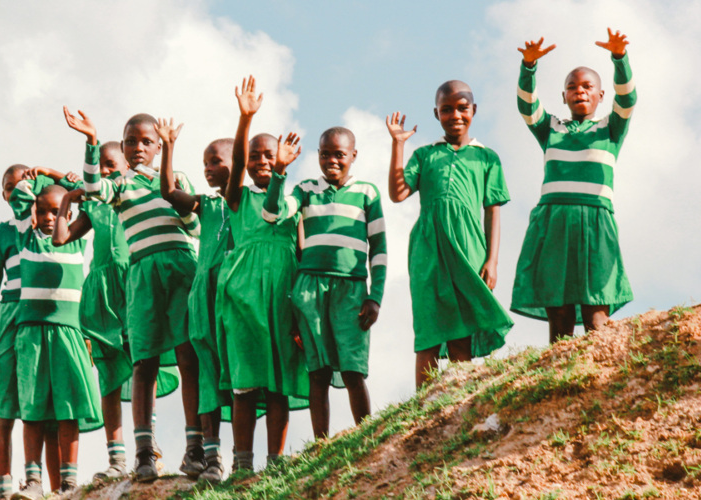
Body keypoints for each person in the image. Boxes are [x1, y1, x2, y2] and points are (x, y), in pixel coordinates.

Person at [65, 107, 204, 482]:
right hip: (142, 275)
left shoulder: (178, 179)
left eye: (146, 142)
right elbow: (93, 189)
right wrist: (92, 142)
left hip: (180, 270)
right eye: (131, 142)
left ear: (158, 147)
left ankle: (195, 448)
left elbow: (192, 225)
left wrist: (171, 169)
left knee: (188, 356)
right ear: (123, 148)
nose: (138, 147)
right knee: (144, 362)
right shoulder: (121, 186)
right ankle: (144, 452)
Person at [51, 142, 180, 482]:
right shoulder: (94, 206)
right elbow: (60, 239)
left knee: (142, 362)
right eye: (103, 167)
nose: (106, 172)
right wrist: (67, 199)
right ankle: (116, 457)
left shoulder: (130, 196)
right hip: (101, 291)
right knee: (108, 374)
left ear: (125, 165)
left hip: (133, 282)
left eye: (111, 165)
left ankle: (147, 449)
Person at [386, 80, 514, 389]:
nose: (455, 115)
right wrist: (398, 145)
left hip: (469, 248)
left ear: (474, 110)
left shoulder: (487, 158)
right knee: (428, 326)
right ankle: (423, 405)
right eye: (446, 110)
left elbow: (493, 210)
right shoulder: (426, 155)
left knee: (461, 328)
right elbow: (397, 193)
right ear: (436, 113)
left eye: (462, 108)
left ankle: (458, 400)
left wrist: (492, 260)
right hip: (428, 249)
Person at [510, 28, 636, 342]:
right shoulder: (550, 128)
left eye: (587, 86)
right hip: (554, 222)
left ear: (600, 95)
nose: (579, 91)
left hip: (596, 220)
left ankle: (600, 374)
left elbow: (628, 98)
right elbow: (526, 106)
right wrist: (528, 67)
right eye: (571, 87)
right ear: (563, 96)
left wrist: (619, 58)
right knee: (560, 310)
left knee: (596, 310)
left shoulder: (610, 128)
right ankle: (559, 374)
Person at [262, 126, 386, 439]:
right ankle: (321, 442)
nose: (332, 160)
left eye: (339, 154)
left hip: (351, 288)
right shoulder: (305, 190)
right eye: (325, 154)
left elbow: (379, 248)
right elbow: (272, 213)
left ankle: (366, 435)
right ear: (317, 156)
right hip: (309, 288)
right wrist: (279, 170)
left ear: (353, 156)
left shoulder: (367, 193)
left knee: (352, 368)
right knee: (317, 371)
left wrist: (376, 296)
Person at [214, 76, 309, 473]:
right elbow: (235, 163)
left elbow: (302, 252)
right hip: (243, 299)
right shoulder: (237, 196)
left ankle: (275, 462)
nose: (263, 162)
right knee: (246, 382)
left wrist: (303, 309)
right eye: (256, 157)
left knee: (278, 383)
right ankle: (241, 464)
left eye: (270, 155)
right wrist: (245, 120)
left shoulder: (292, 199)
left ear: (284, 158)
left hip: (282, 297)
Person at [0, 165, 77, 498]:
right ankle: (5, 490)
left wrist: (52, 176)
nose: (16, 191)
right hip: (10, 320)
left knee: (47, 410)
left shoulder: (56, 227)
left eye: (23, 185)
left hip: (49, 318)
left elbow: (74, 192)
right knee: (5, 409)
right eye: (8, 188)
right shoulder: (2, 234)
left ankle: (57, 490)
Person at [7, 178, 102, 500]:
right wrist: (43, 173)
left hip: (68, 334)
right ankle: (33, 482)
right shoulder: (26, 239)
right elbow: (19, 194)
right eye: (43, 211)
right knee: (32, 410)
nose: (50, 218)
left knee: (68, 409)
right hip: (32, 334)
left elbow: (93, 197)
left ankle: (69, 483)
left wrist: (69, 188)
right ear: (33, 213)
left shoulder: (75, 240)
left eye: (57, 211)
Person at [156, 121, 234, 483]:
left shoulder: (250, 203)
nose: (207, 168)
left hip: (236, 299)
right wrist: (168, 147)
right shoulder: (208, 205)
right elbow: (170, 192)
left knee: (244, 376)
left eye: (215, 160)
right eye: (205, 162)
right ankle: (211, 457)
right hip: (204, 299)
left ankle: (249, 458)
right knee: (207, 375)